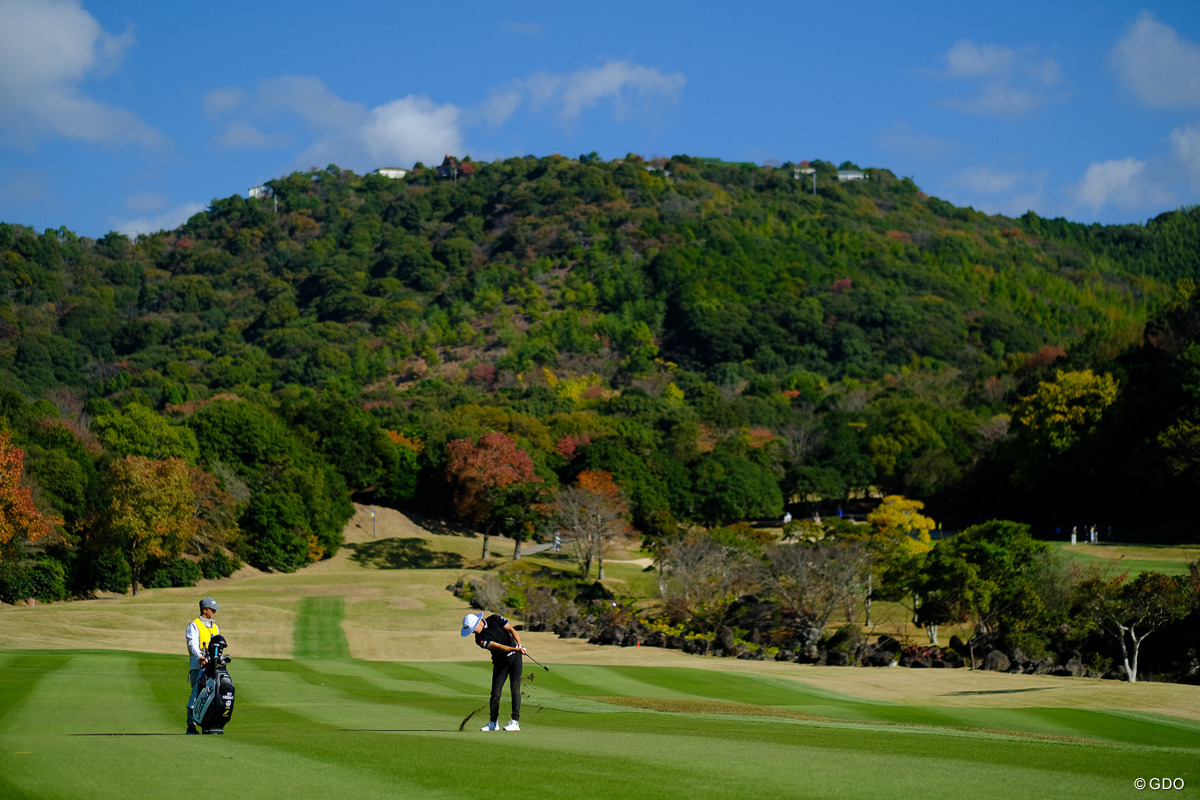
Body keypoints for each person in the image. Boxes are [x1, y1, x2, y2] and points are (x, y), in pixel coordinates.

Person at [461, 611, 525, 732]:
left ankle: (515, 722)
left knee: (515, 688)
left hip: (515, 659)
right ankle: (493, 723)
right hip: (500, 663)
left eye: (474, 629)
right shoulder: (479, 639)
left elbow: (511, 630)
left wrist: (519, 645)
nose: (473, 632)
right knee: (495, 693)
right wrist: (516, 649)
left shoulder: (495, 619)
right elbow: (498, 647)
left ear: (479, 623)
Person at [185, 596, 221, 735]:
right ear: (204, 610)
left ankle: (207, 724)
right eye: (212, 609)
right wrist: (200, 656)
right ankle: (191, 725)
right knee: (197, 694)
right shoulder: (194, 625)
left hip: (212, 666)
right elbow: (192, 644)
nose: (214, 611)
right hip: (198, 665)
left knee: (212, 695)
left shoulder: (215, 627)